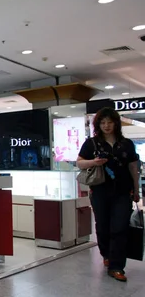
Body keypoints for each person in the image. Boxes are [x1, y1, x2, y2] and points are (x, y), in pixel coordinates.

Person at [77, 107, 140, 282]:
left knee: (120, 228)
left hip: (122, 192)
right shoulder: (92, 143)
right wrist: (94, 162)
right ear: (98, 124)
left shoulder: (126, 143)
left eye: (109, 122)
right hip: (100, 191)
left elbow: (133, 168)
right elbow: (80, 163)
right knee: (103, 226)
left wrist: (136, 190)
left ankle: (117, 266)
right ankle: (106, 254)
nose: (106, 125)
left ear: (116, 123)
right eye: (103, 122)